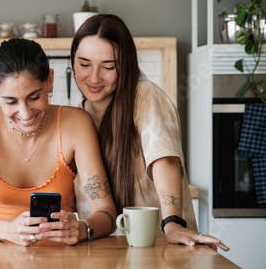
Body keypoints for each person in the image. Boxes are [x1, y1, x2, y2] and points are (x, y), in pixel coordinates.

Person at [70, 14, 229, 251]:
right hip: (104, 254)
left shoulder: (144, 96)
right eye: (84, 64)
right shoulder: (75, 119)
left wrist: (172, 223)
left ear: (126, 65)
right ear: (72, 61)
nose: (94, 78)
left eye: (108, 67)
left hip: (161, 249)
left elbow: (164, 159)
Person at [0, 38, 117, 246]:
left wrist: (83, 228)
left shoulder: (76, 123)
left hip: (59, 258)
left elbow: (108, 213)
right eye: (10, 101)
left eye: (34, 97)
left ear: (49, 80)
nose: (25, 113)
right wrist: (6, 230)